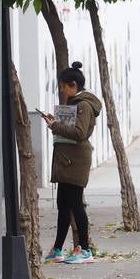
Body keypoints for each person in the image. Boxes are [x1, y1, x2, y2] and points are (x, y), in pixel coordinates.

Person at [40, 62, 102, 265]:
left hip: (75, 161)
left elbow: (79, 133)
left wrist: (56, 126)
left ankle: (85, 250)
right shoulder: (77, 103)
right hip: (67, 160)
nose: (62, 90)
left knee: (75, 205)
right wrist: (55, 122)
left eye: (64, 86)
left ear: (73, 84)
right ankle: (58, 248)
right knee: (63, 206)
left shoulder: (83, 105)